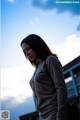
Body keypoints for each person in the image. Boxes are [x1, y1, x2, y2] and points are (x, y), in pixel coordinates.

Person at [20, 34, 68, 120]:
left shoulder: (50, 60)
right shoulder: (37, 68)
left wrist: (60, 114)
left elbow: (61, 88)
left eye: (28, 49)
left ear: (37, 46)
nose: (27, 53)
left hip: (54, 114)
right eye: (24, 51)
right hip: (42, 116)